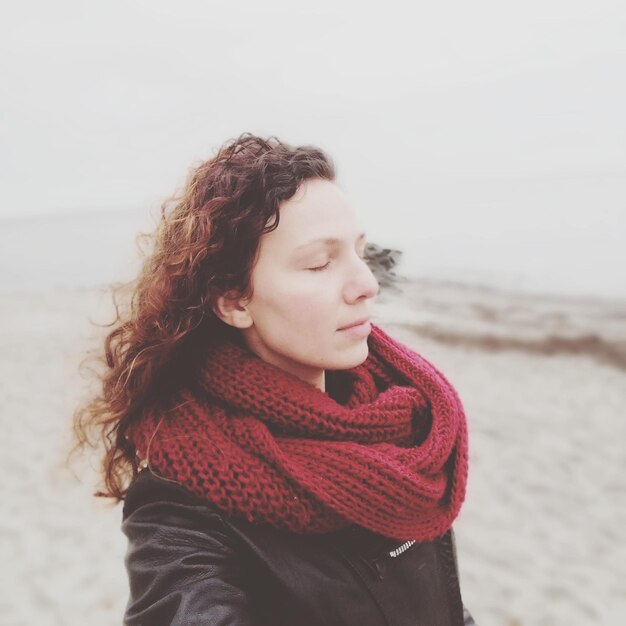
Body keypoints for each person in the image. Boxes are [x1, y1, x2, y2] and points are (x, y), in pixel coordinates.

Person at [73, 133, 478, 625]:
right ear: (234, 301)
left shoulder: (409, 427)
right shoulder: (183, 499)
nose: (367, 285)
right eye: (319, 263)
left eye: (360, 252)